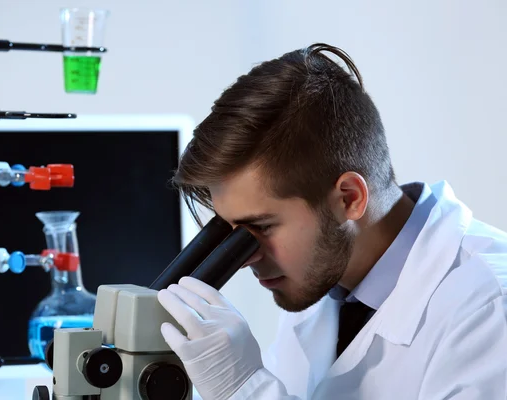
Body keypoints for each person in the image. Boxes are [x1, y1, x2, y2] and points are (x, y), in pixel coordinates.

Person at [156, 43, 507, 399]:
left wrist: (245, 389)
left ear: (349, 198)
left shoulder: (489, 307)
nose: (246, 258)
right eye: (231, 232)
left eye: (260, 228)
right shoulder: (324, 281)